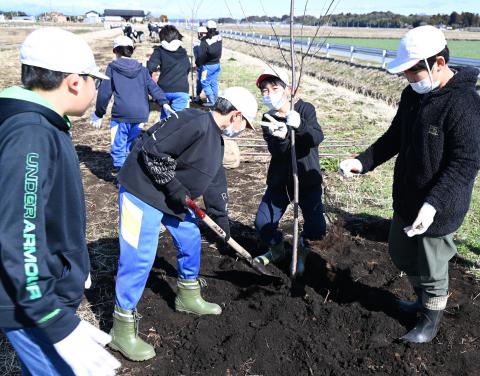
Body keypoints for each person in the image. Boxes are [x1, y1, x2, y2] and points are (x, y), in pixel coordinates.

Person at [339, 25, 480, 343]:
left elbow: (465, 165)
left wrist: (434, 205)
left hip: (440, 208)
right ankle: (421, 299)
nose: (408, 79)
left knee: (432, 268)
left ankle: (429, 320)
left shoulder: (465, 105)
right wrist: (363, 161)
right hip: (407, 199)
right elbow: (394, 137)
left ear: (439, 64)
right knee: (400, 253)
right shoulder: (412, 96)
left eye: (413, 71)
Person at [0, 28, 120, 375]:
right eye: (94, 81)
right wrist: (53, 319)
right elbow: (18, 230)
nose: (98, 89)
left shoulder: (43, 124)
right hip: (32, 307)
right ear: (73, 82)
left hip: (39, 295)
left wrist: (71, 261)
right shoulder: (31, 134)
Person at [108, 87, 258, 361]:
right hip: (141, 192)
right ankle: (122, 328)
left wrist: (222, 224)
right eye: (245, 124)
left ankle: (187, 296)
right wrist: (176, 188)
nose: (244, 130)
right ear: (235, 115)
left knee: (190, 237)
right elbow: (150, 150)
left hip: (171, 199)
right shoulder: (193, 122)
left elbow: (214, 182)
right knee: (139, 257)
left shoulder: (217, 141)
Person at [253, 67, 326, 276]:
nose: (268, 94)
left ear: (289, 90)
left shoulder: (305, 110)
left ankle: (302, 246)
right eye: (264, 91)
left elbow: (316, 138)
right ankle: (277, 249)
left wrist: (299, 126)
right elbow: (277, 152)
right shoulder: (268, 118)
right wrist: (283, 136)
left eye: (274, 88)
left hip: (307, 181)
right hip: (280, 183)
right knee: (262, 223)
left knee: (318, 229)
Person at [91, 35, 175, 171]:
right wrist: (164, 103)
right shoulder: (141, 69)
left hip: (121, 115)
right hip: (141, 115)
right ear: (132, 50)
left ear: (114, 51)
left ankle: (122, 178)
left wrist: (99, 113)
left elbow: (105, 92)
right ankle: (131, 173)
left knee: (118, 146)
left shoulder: (112, 68)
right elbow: (153, 87)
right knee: (130, 144)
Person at [147, 25, 191, 120]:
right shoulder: (183, 51)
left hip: (164, 90)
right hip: (181, 89)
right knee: (177, 119)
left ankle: (163, 132)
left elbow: (150, 67)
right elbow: (188, 68)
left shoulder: (159, 51)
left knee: (165, 118)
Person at [195, 20, 222, 107]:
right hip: (217, 65)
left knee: (204, 82)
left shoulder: (204, 41)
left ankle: (212, 102)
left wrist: (198, 64)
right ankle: (215, 100)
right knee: (213, 82)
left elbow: (200, 56)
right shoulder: (219, 38)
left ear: (207, 29)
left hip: (207, 67)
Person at [193, 25, 208, 104]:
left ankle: (202, 97)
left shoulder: (200, 43)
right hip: (203, 65)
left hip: (203, 66)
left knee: (202, 81)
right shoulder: (198, 43)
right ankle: (198, 96)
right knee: (202, 81)